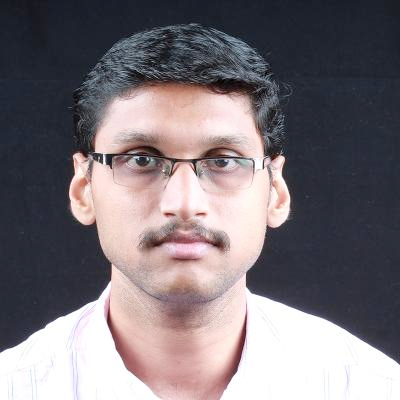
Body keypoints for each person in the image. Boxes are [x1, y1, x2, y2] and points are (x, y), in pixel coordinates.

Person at [0, 23, 399, 400]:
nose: (185, 204)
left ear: (275, 192)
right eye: (141, 160)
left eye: (224, 161)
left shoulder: (368, 388)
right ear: (84, 188)